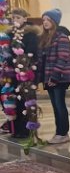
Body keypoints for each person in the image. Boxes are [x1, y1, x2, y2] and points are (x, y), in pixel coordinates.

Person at [37, 8, 70, 144]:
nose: (45, 22)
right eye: (44, 20)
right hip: (49, 77)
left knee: (59, 104)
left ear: (55, 21)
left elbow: (62, 58)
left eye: (48, 19)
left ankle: (63, 133)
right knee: (55, 105)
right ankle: (59, 132)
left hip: (60, 77)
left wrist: (55, 76)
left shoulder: (61, 37)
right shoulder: (45, 38)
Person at [9, 8, 39, 139]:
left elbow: (32, 52)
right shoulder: (11, 34)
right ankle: (16, 129)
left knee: (26, 100)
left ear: (25, 19)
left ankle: (27, 129)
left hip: (27, 71)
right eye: (13, 18)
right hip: (13, 72)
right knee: (16, 100)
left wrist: (22, 60)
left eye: (18, 18)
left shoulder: (30, 34)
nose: (15, 20)